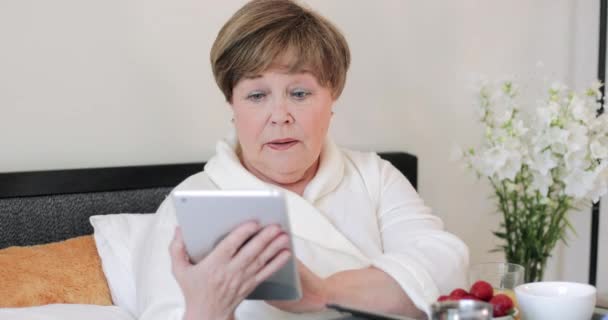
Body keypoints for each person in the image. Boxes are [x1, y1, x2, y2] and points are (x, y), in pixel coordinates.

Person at [136, 0, 469, 319]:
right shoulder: (191, 205)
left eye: (299, 93)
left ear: (332, 97)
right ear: (232, 105)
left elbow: (447, 267)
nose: (280, 116)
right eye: (256, 95)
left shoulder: (374, 176)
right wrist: (209, 309)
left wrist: (323, 292)